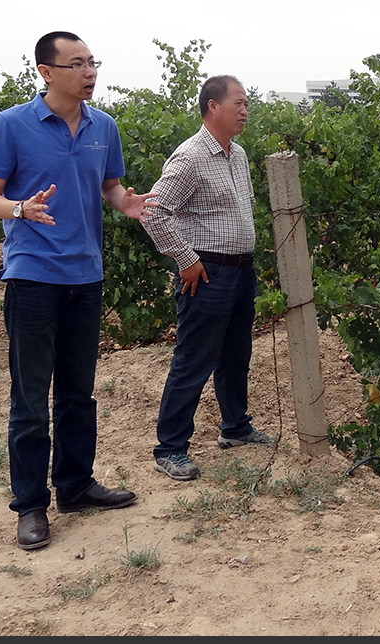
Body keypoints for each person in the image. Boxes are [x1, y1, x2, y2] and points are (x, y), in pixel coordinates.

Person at [0, 31, 154, 551]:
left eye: (92, 62)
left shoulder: (105, 126)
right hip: (33, 276)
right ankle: (31, 505)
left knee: (78, 392)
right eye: (76, 63)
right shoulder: (11, 124)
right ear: (46, 71)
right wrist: (20, 209)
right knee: (31, 399)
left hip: (86, 277)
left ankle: (75, 485)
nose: (89, 72)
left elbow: (108, 185)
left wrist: (125, 203)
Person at [142, 75, 274, 483]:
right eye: (238, 103)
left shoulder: (239, 155)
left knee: (235, 354)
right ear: (212, 106)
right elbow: (153, 212)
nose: (245, 110)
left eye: (247, 103)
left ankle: (235, 427)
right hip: (207, 273)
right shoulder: (190, 157)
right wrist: (186, 259)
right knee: (194, 359)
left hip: (240, 271)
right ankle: (170, 447)